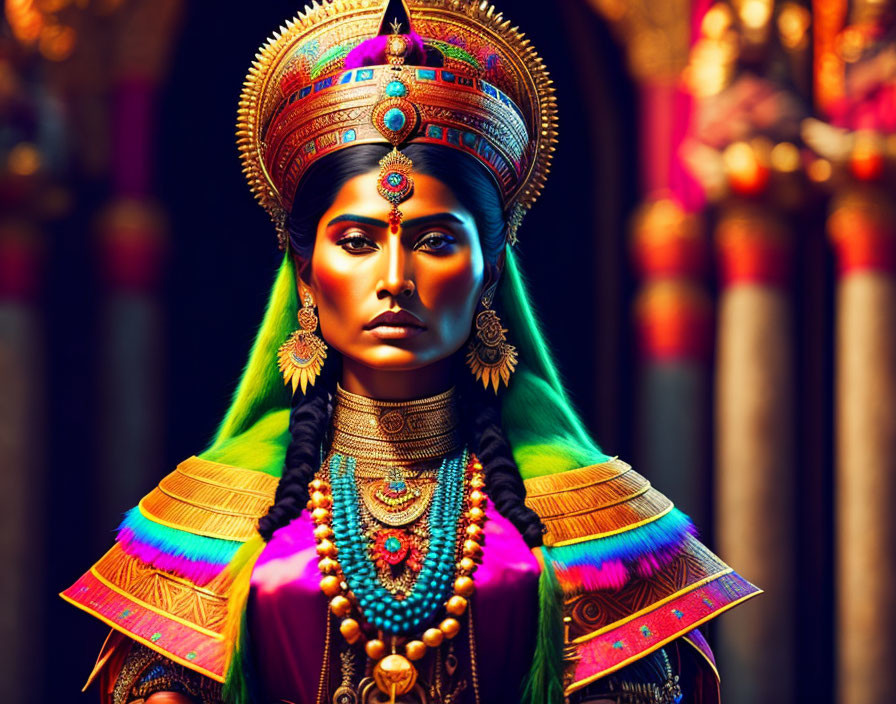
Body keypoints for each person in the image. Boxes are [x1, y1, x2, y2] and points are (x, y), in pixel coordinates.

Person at [62, 1, 760, 702]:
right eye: (358, 242)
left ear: (489, 271)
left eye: (434, 241)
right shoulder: (204, 524)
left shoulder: (598, 530)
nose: (394, 279)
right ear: (306, 272)